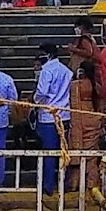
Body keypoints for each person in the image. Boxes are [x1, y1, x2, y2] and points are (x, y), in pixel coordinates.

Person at [33, 42, 73, 196]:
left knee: (49, 153)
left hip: (48, 116)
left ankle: (48, 186)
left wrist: (36, 101)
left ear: (48, 54)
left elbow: (42, 92)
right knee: (63, 150)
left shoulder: (46, 71)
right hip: (65, 114)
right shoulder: (66, 71)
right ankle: (64, 183)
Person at [69, 61, 103, 187]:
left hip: (80, 119)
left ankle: (75, 184)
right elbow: (101, 106)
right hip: (94, 120)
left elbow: (74, 106)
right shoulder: (96, 86)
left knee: (78, 151)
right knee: (92, 156)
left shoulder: (76, 85)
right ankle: (91, 183)